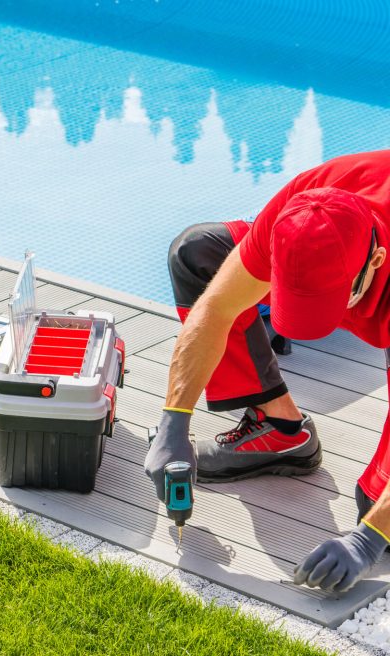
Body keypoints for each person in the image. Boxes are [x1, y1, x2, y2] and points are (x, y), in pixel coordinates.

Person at [144, 150, 390, 593]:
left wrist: (368, 542)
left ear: (374, 262)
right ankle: (279, 429)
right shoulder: (299, 210)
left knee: (379, 513)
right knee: (198, 253)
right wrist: (173, 420)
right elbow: (217, 308)